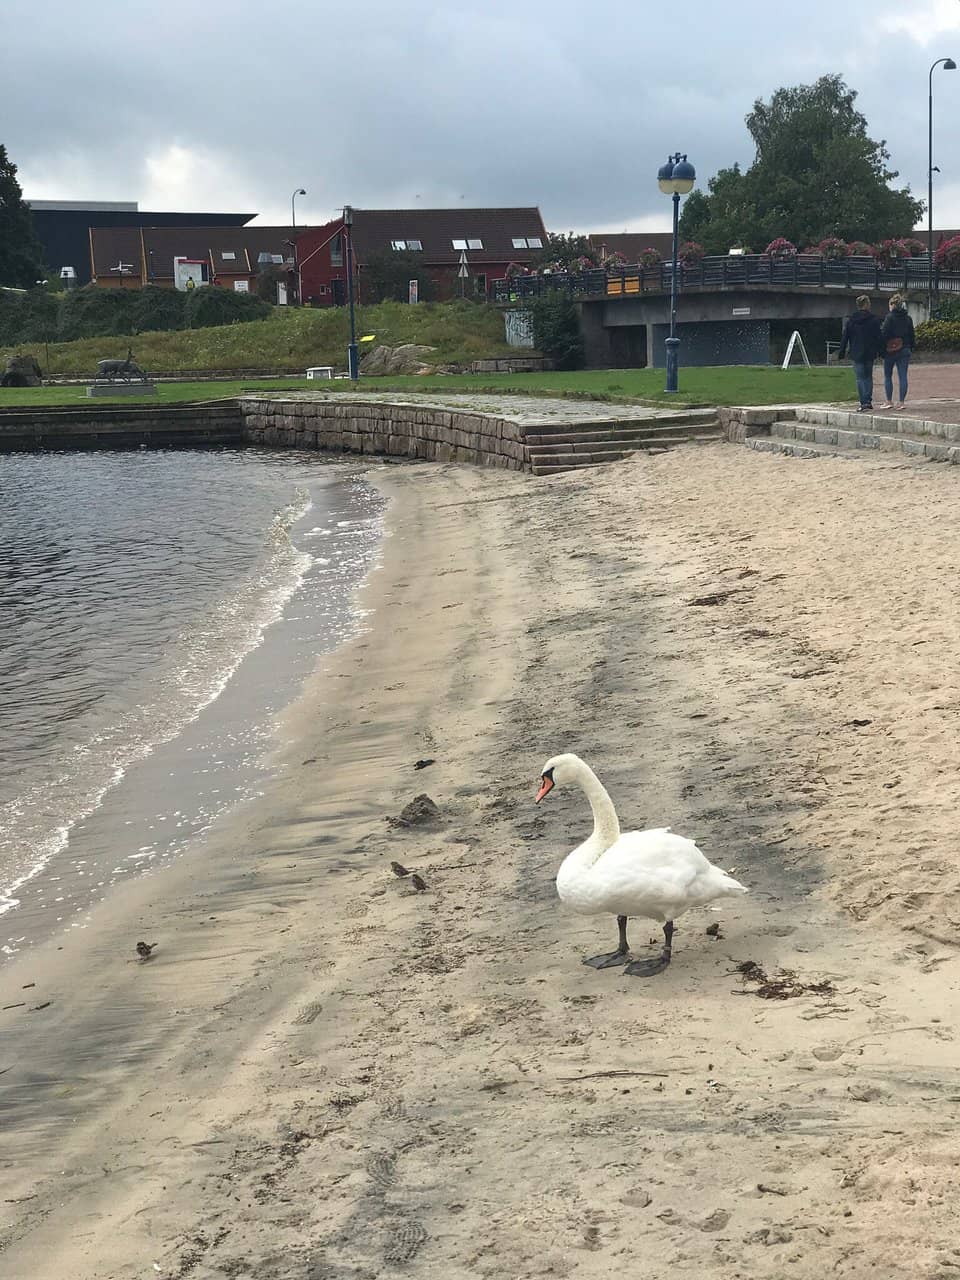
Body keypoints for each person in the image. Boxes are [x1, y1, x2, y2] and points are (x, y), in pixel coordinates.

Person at [838, 295, 883, 411]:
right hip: (869, 352)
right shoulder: (874, 320)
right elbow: (879, 337)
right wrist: (881, 351)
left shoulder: (851, 321)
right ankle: (868, 401)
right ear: (867, 305)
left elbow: (845, 337)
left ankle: (863, 402)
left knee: (860, 378)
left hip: (856, 352)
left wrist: (841, 352)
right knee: (868, 377)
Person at [878, 293, 916, 410]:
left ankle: (889, 401)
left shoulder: (889, 318)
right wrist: (911, 347)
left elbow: (884, 334)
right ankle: (901, 402)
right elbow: (912, 335)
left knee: (888, 375)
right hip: (904, 348)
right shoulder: (908, 318)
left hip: (890, 350)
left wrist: (881, 349)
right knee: (903, 376)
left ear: (893, 305)